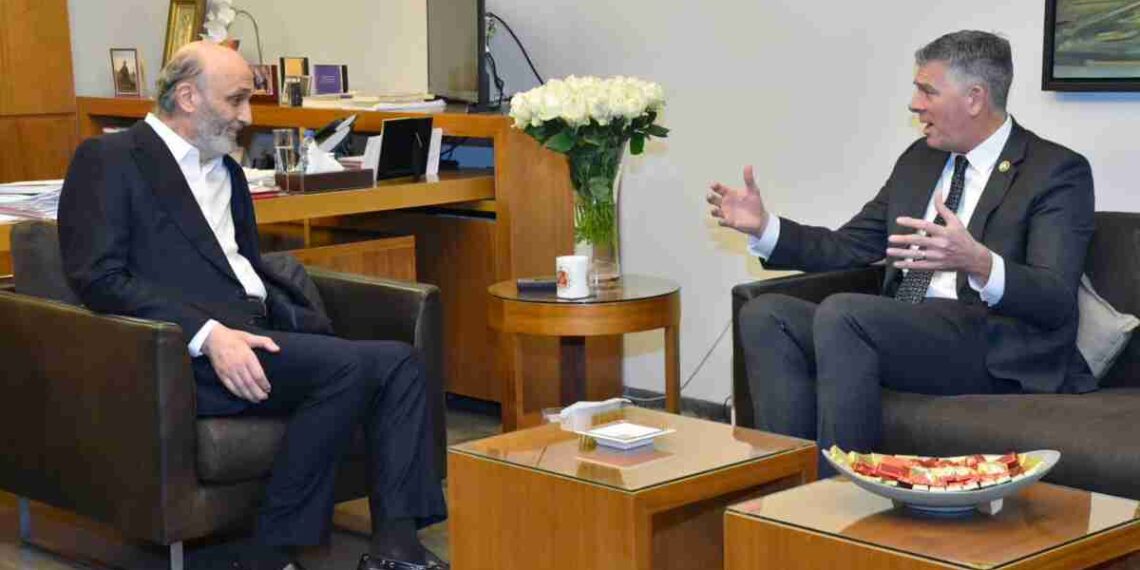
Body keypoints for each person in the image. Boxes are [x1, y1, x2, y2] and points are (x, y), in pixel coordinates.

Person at [58, 42, 447, 570]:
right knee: (348, 369)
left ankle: (395, 550)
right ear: (188, 97)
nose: (248, 116)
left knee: (401, 362)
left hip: (262, 332)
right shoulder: (110, 160)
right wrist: (208, 335)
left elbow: (244, 263)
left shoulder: (229, 172)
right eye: (236, 99)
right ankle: (269, 553)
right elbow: (98, 278)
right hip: (183, 354)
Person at [708, 31, 1095, 468]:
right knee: (767, 315)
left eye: (928, 91)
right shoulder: (920, 160)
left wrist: (979, 263)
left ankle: (842, 492)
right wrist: (765, 228)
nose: (914, 104)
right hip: (905, 327)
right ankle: (790, 487)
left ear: (974, 98)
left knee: (844, 313)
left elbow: (1055, 298)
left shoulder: (1055, 171)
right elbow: (850, 245)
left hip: (989, 344)